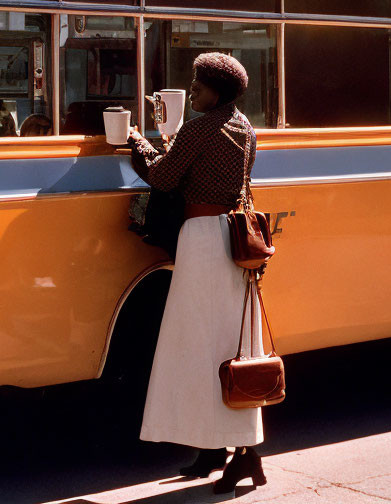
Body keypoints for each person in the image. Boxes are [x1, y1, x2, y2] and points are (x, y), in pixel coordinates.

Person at [128, 52, 266, 495]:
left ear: (217, 92)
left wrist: (135, 139)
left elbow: (162, 177)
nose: (192, 93)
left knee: (198, 344)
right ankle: (219, 449)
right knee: (231, 342)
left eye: (199, 87)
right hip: (233, 239)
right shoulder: (245, 128)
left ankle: (239, 452)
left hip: (203, 239)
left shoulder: (199, 127)